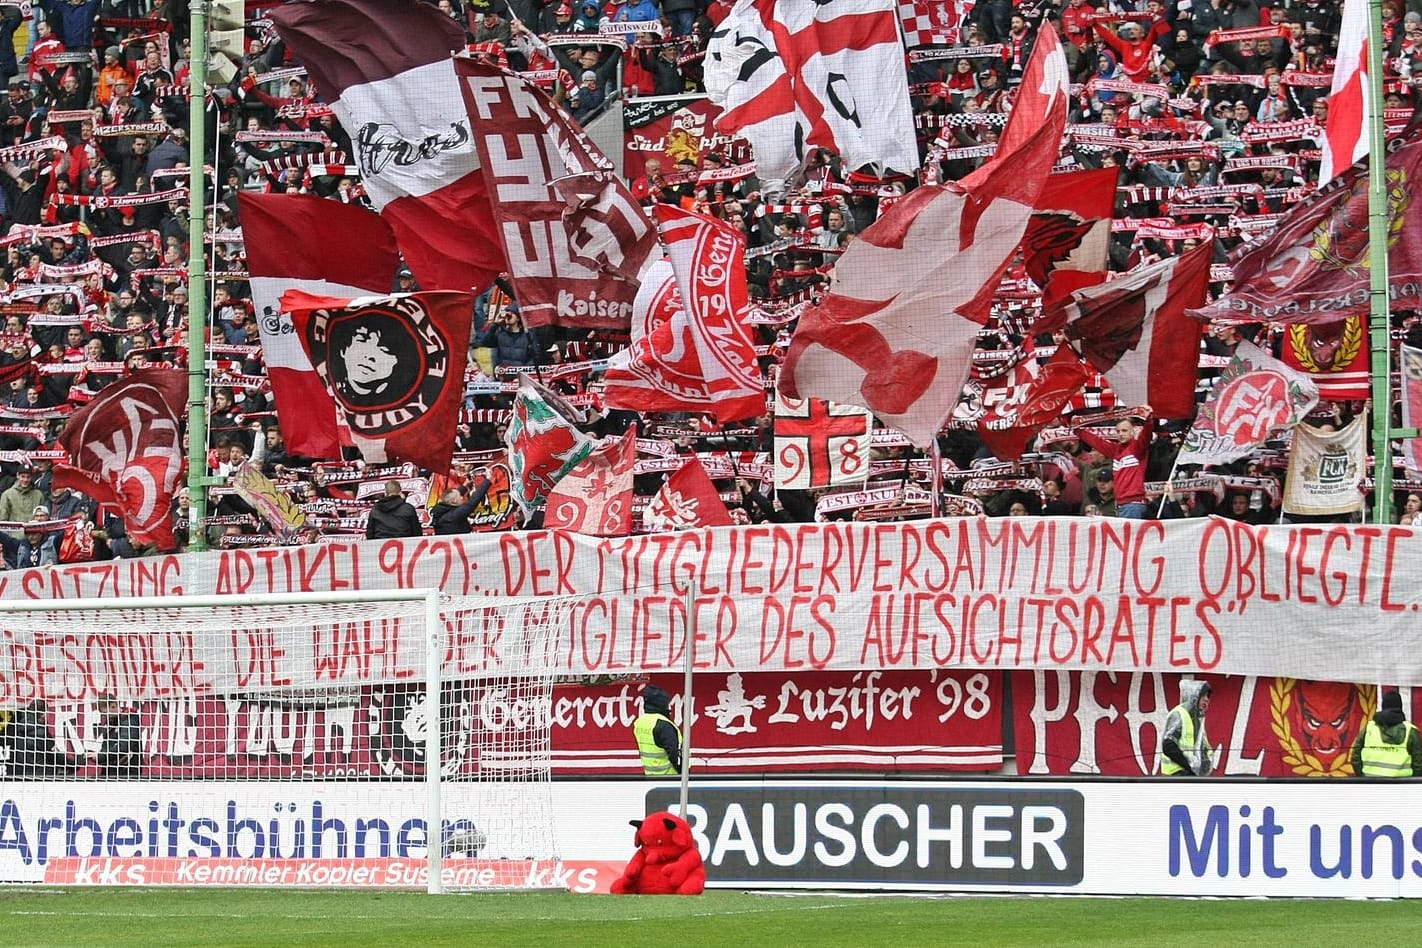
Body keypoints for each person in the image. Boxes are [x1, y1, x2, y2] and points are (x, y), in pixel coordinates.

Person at [1350, 690, 1422, 777]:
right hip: (1402, 786)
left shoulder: (1369, 728)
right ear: (1400, 707)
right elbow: (1418, 764)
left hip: (1371, 784)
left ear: (1383, 706)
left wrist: (1363, 777)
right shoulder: (1411, 731)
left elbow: (1355, 757)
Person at [1159, 680, 1213, 777]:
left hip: (1189, 774)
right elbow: (1168, 745)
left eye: (1208, 696)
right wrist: (1189, 766)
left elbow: (1203, 748)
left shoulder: (1197, 719)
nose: (1206, 699)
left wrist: (1204, 767)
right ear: (1193, 696)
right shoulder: (1179, 714)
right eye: (1203, 695)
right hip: (1176, 775)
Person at [633, 685, 682, 776]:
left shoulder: (639, 722)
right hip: (670, 778)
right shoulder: (663, 725)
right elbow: (675, 755)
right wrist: (684, 774)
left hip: (650, 776)